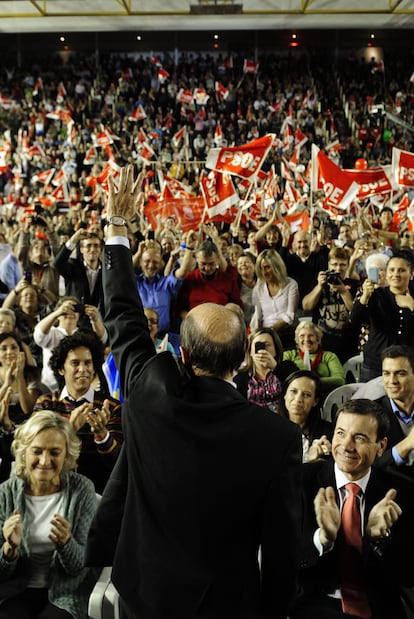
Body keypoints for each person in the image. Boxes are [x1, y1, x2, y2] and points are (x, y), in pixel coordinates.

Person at [86, 165, 303, 619]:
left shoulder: (149, 392)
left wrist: (117, 227)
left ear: (183, 355)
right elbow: (281, 551)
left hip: (143, 594)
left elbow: (123, 316)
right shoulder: (277, 437)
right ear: (245, 353)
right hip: (226, 604)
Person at [290, 398, 414, 619]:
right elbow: (284, 559)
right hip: (315, 603)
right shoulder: (301, 482)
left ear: (381, 446)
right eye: (340, 433)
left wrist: (379, 538)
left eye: (359, 438)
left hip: (378, 607)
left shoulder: (401, 491)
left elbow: (407, 575)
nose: (346, 446)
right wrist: (323, 538)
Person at [0, 410, 98, 619]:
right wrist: (9, 548)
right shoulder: (5, 493)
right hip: (15, 592)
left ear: (67, 455)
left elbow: (80, 566)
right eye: (37, 451)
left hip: (66, 593)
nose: (44, 461)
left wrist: (65, 543)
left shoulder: (82, 491)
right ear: (24, 452)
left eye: (54, 452)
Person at [33, 330, 122, 493]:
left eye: (88, 363)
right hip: (54, 488)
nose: (83, 369)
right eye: (75, 363)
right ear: (61, 369)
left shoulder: (110, 406)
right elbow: (36, 453)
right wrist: (69, 429)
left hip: (99, 490)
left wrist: (103, 435)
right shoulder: (46, 403)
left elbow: (118, 463)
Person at [350, 249, 414, 381]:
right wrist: (365, 296)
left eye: (401, 270)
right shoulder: (376, 295)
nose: (395, 274)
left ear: (411, 274)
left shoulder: (412, 298)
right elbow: (354, 320)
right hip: (375, 365)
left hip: (407, 365)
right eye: (391, 270)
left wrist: (412, 306)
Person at [33, 296, 108, 392]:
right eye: (66, 310)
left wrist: (96, 319)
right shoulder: (51, 332)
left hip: (78, 385)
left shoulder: (83, 334)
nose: (70, 313)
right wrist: (57, 313)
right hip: (50, 387)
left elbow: (102, 340)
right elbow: (38, 335)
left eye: (74, 309)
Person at [303, 246, 359, 363]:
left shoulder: (355, 285)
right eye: (334, 264)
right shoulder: (318, 282)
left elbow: (356, 312)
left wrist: (343, 291)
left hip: (347, 344)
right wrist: (319, 287)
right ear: (328, 265)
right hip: (322, 343)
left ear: (348, 265)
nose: (338, 269)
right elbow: (306, 306)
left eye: (343, 265)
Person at [175, 238, 243, 319]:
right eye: (203, 264)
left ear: (218, 259)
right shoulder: (190, 278)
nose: (207, 268)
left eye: (211, 264)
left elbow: (238, 308)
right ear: (197, 259)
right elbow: (179, 309)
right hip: (195, 324)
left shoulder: (228, 279)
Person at [234, 327, 297, 414]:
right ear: (250, 351)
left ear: (275, 349)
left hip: (283, 421)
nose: (263, 349)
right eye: (258, 345)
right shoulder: (241, 377)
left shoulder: (287, 367)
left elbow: (298, 384)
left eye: (267, 344)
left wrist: (275, 367)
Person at [374, 344, 414, 480]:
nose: (392, 381)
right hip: (392, 490)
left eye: (400, 373)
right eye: (386, 374)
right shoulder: (372, 414)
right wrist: (407, 444)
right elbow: (368, 466)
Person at [279, 370, 333, 462]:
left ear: (315, 401)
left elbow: (330, 459)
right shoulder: (270, 429)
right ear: (285, 394)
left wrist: (325, 453)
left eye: (307, 395)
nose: (298, 399)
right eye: (293, 391)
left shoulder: (327, 432)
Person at [283, 320, 345, 398]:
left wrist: (313, 380)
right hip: (295, 397)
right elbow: (282, 376)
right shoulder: (289, 355)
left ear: (318, 339)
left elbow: (340, 380)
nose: (306, 339)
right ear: (297, 341)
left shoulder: (329, 356)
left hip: (323, 396)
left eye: (310, 335)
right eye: (302, 336)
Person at [252, 248, 299, 349]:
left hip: (287, 331)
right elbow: (258, 316)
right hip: (266, 334)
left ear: (276, 266)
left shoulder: (291, 285)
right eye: (261, 268)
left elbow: (290, 316)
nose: (264, 272)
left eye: (267, 267)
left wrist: (270, 331)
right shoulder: (258, 288)